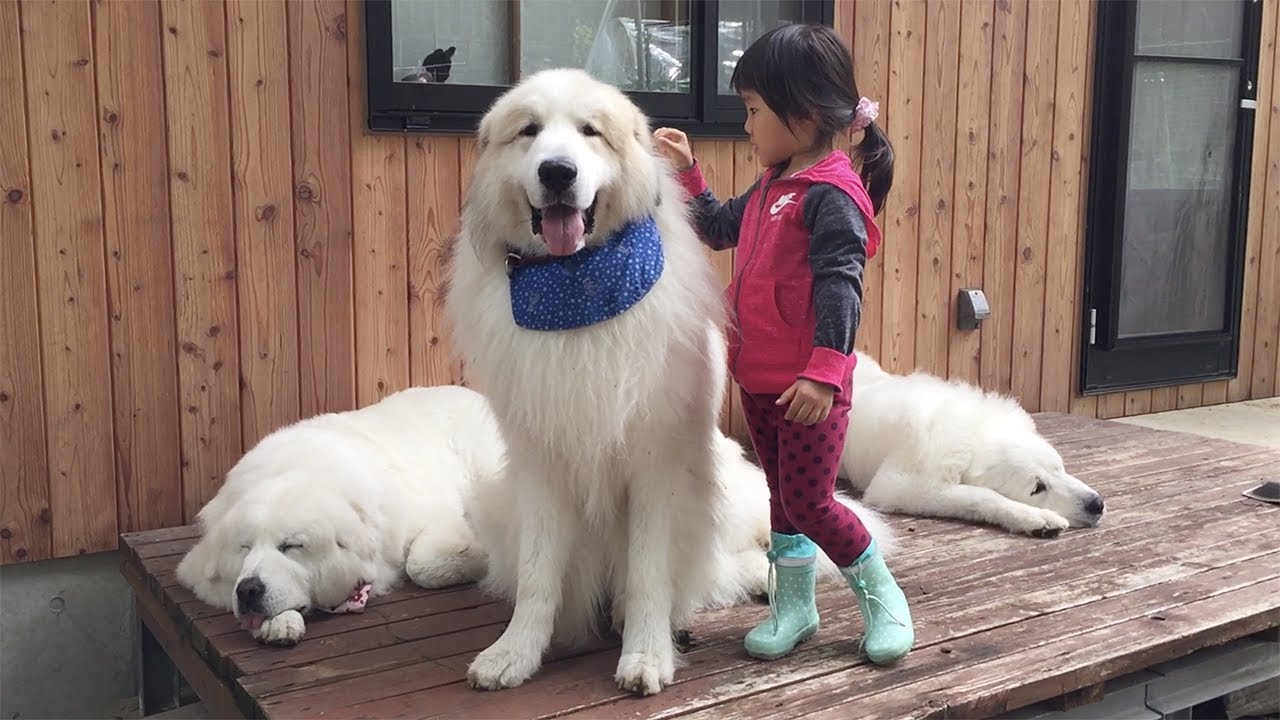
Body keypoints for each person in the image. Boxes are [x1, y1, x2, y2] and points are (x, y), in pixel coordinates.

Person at [653, 22, 913, 664]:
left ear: (800, 114)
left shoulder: (831, 196)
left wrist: (825, 372)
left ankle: (885, 600)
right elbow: (716, 229)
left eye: (753, 110)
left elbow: (841, 289)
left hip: (810, 389)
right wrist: (689, 174)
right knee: (783, 503)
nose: (746, 124)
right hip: (764, 382)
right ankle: (795, 608)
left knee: (812, 502)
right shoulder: (774, 183)